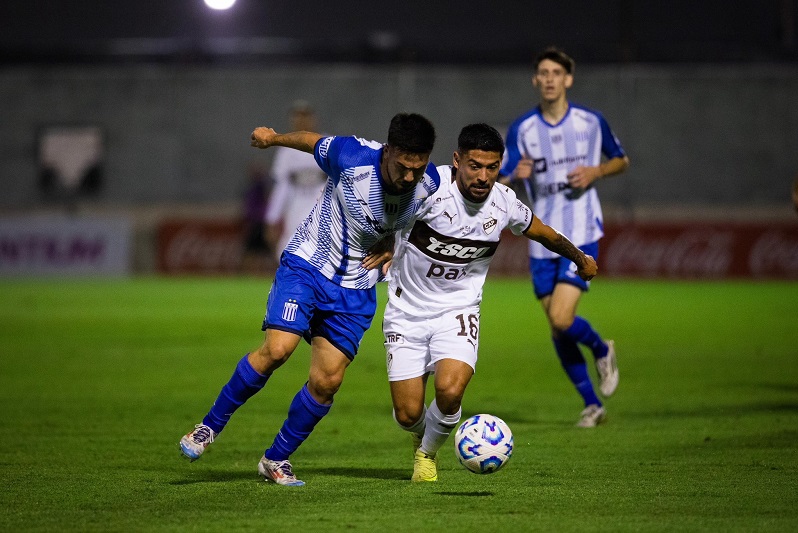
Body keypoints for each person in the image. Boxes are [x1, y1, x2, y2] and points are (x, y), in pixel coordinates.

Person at [179, 113, 441, 486]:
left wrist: (394, 242)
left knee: (326, 381)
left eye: (419, 167)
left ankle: (276, 459)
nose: (410, 176)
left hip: (356, 288)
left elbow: (427, 218)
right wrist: (273, 138)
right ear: (389, 151)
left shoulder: (427, 184)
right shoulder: (351, 156)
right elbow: (310, 140)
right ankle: (208, 427)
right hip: (308, 267)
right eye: (404, 166)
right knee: (278, 349)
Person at [379, 123, 597, 482]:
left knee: (450, 391)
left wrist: (579, 257)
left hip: (458, 310)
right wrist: (385, 243)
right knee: (407, 414)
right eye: (475, 166)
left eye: (491, 167)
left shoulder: (504, 202)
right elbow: (385, 214)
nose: (483, 176)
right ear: (457, 161)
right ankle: (422, 430)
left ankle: (427, 455)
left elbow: (544, 233)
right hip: (406, 311)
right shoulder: (428, 190)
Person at [499, 47, 629, 428]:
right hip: (542, 238)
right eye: (544, 72)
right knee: (557, 328)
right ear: (535, 80)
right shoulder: (522, 128)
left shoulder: (591, 122)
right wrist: (513, 174)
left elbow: (622, 159)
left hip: (583, 231)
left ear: (568, 79)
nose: (551, 78)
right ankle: (592, 404)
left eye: (557, 72)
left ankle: (602, 347)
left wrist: (597, 172)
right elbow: (498, 178)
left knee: (561, 316)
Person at [263, 101, 328, 260]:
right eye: (297, 116)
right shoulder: (285, 151)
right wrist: (272, 218)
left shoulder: (327, 144)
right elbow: (281, 188)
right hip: (295, 210)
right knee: (289, 253)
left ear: (314, 119)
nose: (301, 120)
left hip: (324, 210)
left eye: (305, 116)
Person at [240, 161, 273, 273]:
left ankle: (258, 273)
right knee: (255, 251)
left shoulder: (260, 185)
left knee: (255, 251)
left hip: (259, 222)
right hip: (255, 222)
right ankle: (253, 273)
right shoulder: (253, 186)